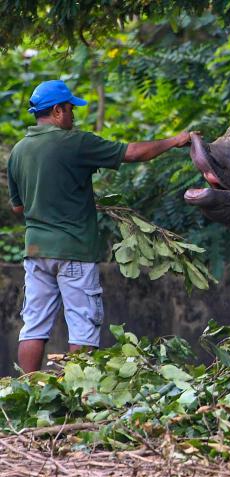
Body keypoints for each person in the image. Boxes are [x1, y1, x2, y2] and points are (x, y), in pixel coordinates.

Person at [5, 79, 196, 373]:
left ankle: (26, 393)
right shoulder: (75, 142)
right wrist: (174, 141)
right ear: (57, 111)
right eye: (70, 109)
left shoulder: (19, 151)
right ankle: (77, 394)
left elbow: (19, 207)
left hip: (36, 251)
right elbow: (131, 153)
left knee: (33, 325)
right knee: (82, 325)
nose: (73, 116)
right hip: (74, 251)